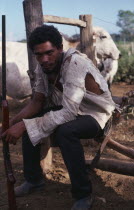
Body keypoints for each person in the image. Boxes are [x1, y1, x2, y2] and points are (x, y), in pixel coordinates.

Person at [0, 25, 116, 210]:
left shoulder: (75, 63)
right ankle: (34, 179)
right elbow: (37, 101)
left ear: (60, 48)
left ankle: (83, 194)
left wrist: (23, 126)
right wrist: (11, 123)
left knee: (65, 131)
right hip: (69, 110)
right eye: (39, 55)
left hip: (96, 115)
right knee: (29, 122)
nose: (44, 60)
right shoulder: (42, 67)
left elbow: (69, 113)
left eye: (49, 53)